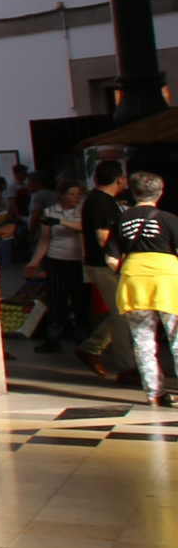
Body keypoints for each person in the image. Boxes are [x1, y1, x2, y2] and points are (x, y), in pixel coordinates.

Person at [113, 172, 178, 407]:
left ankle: (154, 393)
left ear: (134, 192)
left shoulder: (121, 220)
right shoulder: (169, 219)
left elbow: (111, 259)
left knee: (142, 340)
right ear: (160, 192)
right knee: (176, 339)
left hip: (134, 282)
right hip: (168, 282)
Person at [81, 161, 138, 379]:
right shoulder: (101, 202)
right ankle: (126, 367)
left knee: (122, 312)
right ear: (119, 179)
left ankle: (91, 348)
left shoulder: (101, 201)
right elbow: (103, 237)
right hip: (104, 265)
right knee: (122, 315)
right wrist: (121, 261)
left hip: (102, 264)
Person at [29, 180, 85, 350]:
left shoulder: (82, 210)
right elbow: (45, 239)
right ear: (61, 195)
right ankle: (54, 338)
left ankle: (83, 337)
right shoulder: (50, 211)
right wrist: (34, 262)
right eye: (71, 194)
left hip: (78, 260)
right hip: (56, 258)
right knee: (56, 299)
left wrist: (61, 222)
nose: (76, 197)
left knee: (80, 299)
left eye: (78, 194)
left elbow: (84, 227)